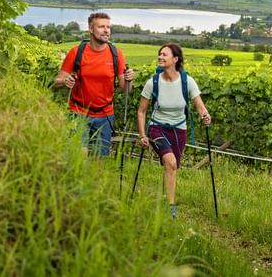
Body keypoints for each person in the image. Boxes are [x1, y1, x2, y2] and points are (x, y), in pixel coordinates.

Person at [137, 43, 211, 218]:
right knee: (170, 162)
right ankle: (171, 207)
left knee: (172, 166)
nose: (160, 57)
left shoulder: (187, 82)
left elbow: (201, 107)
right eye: (159, 54)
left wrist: (206, 116)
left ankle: (165, 197)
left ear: (175, 60)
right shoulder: (152, 82)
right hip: (157, 128)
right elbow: (141, 111)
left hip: (179, 129)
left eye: (164, 55)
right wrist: (142, 135)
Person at [55, 12, 134, 156]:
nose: (106, 31)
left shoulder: (116, 54)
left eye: (108, 27)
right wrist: (64, 81)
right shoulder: (76, 52)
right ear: (91, 29)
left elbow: (125, 88)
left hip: (105, 114)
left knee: (99, 161)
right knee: (79, 155)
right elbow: (57, 82)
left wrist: (130, 79)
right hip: (78, 112)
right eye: (101, 27)